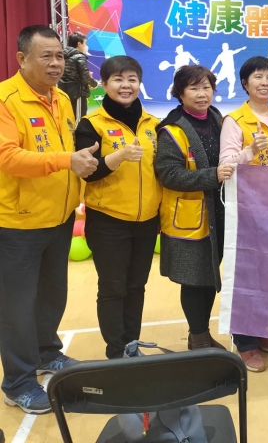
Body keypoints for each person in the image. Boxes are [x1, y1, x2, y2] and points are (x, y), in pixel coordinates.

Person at [0, 25, 98, 414]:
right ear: (22, 59)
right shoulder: (6, 100)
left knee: (52, 294)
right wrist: (66, 161)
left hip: (58, 217)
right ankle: (18, 382)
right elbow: (7, 156)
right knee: (16, 306)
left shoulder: (60, 98)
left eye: (60, 56)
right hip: (18, 223)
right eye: (47, 56)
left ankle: (46, 351)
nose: (56, 63)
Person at [74, 56, 162, 359]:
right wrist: (118, 157)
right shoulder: (91, 124)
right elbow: (87, 171)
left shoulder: (153, 124)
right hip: (108, 221)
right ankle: (116, 351)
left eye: (132, 79)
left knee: (137, 286)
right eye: (118, 79)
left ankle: (131, 344)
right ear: (104, 84)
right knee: (113, 288)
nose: (126, 85)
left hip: (146, 220)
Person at [155, 66, 234, 355]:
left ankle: (203, 333)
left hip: (219, 213)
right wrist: (213, 175)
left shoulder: (218, 119)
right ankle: (198, 336)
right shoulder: (172, 130)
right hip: (190, 218)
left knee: (209, 275)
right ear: (180, 93)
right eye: (194, 88)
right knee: (194, 279)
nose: (202, 94)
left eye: (206, 87)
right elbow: (168, 174)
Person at [219, 56, 268, 372]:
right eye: (257, 76)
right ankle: (245, 343)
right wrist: (249, 152)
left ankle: (261, 331)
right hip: (247, 212)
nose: (264, 82)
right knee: (247, 276)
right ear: (245, 83)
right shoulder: (234, 121)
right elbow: (226, 166)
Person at [58, 32, 98, 120]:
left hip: (63, 91)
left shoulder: (62, 56)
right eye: (85, 43)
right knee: (79, 119)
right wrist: (94, 84)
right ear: (79, 44)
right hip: (77, 93)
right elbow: (85, 76)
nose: (86, 46)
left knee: (67, 118)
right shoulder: (79, 56)